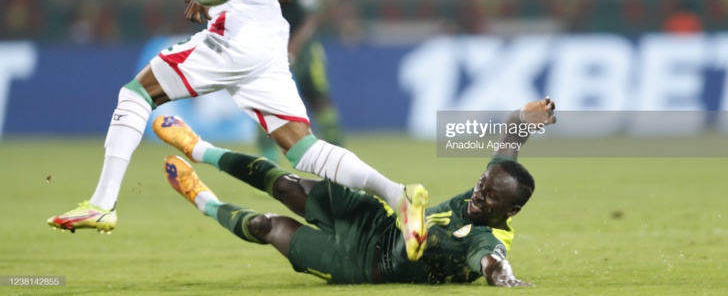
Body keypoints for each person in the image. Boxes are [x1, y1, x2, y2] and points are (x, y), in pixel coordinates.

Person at [47, 0, 428, 261]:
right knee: (303, 149)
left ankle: (102, 203)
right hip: (267, 44)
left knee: (136, 93)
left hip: (236, 40)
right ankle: (399, 194)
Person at [159, 97, 556, 286]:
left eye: (487, 198)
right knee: (284, 184)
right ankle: (199, 147)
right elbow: (510, 136)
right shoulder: (498, 183)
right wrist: (523, 117)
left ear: (510, 211)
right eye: (481, 185)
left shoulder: (486, 238)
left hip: (361, 266)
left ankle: (202, 198)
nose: (478, 195)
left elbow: (492, 263)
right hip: (375, 223)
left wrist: (505, 278)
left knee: (267, 225)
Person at [258, 0, 344, 160]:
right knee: (264, 101)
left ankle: (338, 154)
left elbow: (313, 14)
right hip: (270, 45)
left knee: (317, 96)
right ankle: (270, 165)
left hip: (302, 44)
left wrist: (294, 45)